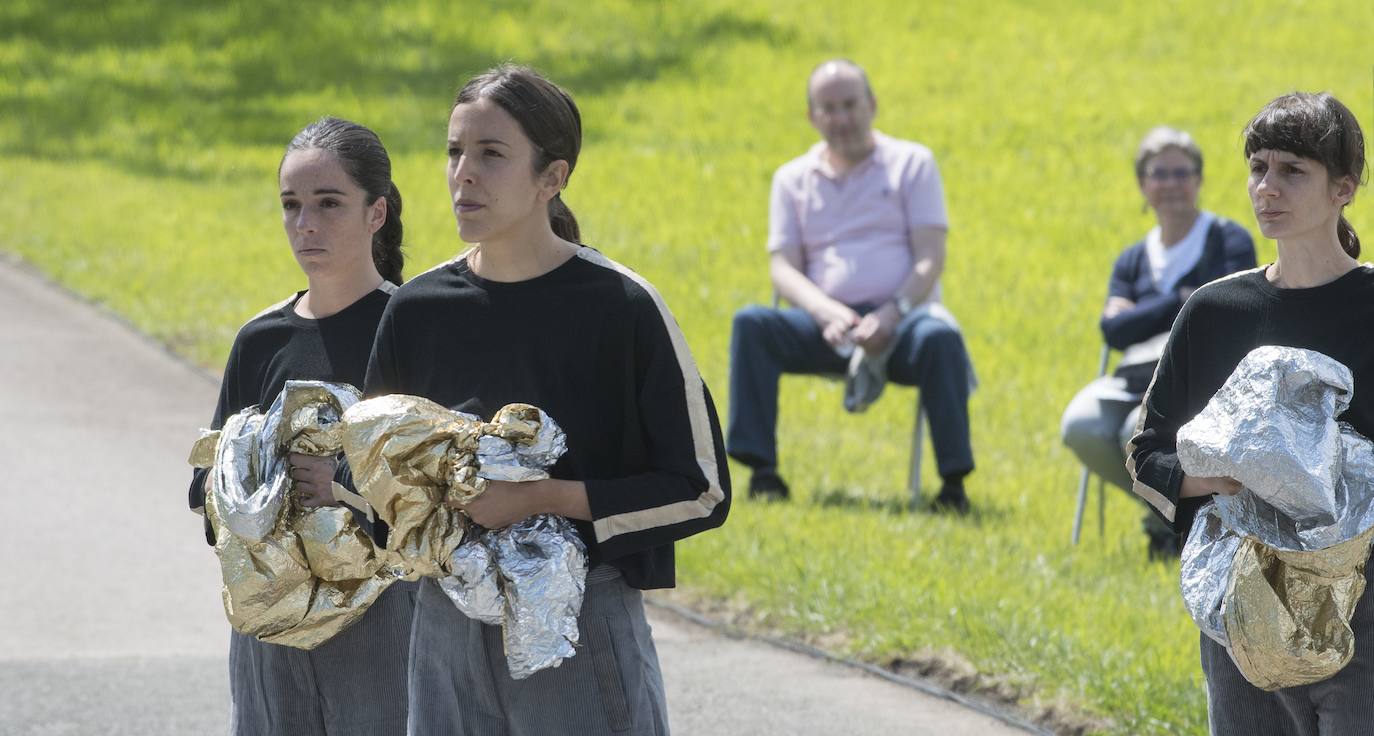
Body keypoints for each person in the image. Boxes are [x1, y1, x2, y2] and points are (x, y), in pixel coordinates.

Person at [364, 64, 730, 735]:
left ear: (551, 178)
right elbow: (378, 480)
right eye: (455, 151)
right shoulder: (416, 311)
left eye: (491, 154)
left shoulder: (622, 308)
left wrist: (541, 499)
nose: (463, 173)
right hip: (443, 627)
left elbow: (700, 488)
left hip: (580, 624)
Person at [1128, 92, 1371, 734]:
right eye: (1258, 167)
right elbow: (1146, 453)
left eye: (1294, 171)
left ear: (1344, 186)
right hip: (1242, 606)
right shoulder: (1215, 312)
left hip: (1364, 610)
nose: (1268, 187)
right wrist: (1216, 479)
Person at [187, 117, 414, 735]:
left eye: (329, 203)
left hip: (386, 622)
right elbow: (205, 485)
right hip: (272, 625)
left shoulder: (415, 325)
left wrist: (341, 480)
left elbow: (444, 487)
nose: (306, 223)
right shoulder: (261, 339)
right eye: (292, 205)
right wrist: (251, 488)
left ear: (376, 213)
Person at [727, 58, 975, 510]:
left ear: (872, 105)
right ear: (812, 116)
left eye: (849, 105)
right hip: (825, 325)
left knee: (941, 338)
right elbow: (782, 267)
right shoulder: (792, 179)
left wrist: (891, 313)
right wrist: (825, 312)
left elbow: (930, 258)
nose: (840, 118)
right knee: (753, 323)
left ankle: (953, 485)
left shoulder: (912, 164)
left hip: (902, 321)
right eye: (828, 108)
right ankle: (763, 474)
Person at [1060, 126, 1255, 557]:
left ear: (1199, 180)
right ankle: (1171, 510)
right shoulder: (1132, 258)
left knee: (1137, 431)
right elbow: (1113, 331)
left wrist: (1145, 312)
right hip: (1134, 375)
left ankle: (1164, 531)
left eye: (1182, 173)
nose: (1170, 184)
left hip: (1199, 377)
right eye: (1159, 173)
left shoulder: (1228, 241)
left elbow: (1229, 313)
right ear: (1142, 184)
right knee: (1082, 425)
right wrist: (1183, 298)